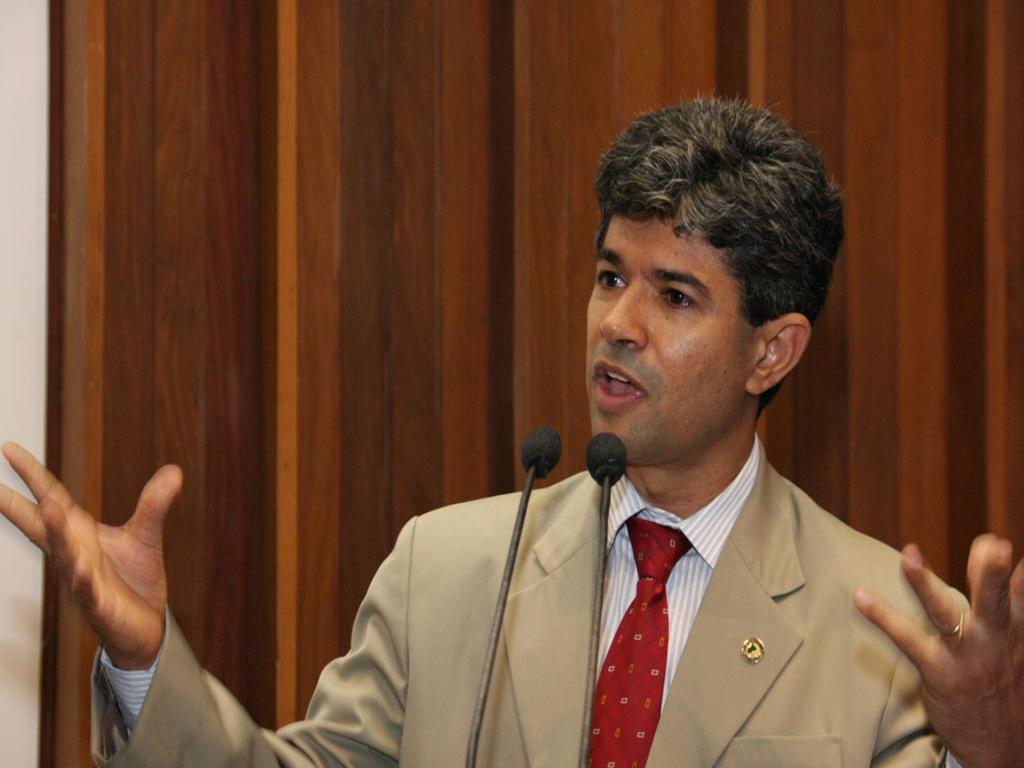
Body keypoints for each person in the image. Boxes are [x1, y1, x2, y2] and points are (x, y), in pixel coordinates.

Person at [2, 99, 1021, 767]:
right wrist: (145, 658)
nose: (617, 323)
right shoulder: (448, 571)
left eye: (674, 296)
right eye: (610, 276)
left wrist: (990, 750)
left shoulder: (886, 627)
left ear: (772, 351)